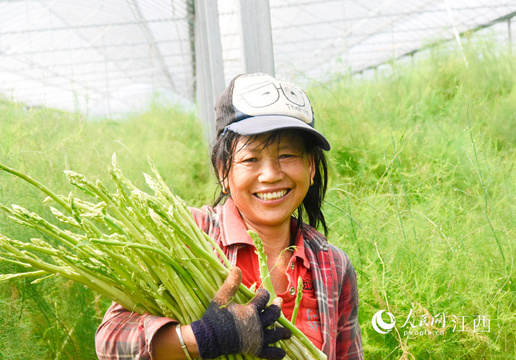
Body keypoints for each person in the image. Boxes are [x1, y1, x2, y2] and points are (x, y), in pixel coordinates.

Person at [95, 73, 363, 360]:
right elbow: (111, 342)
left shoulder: (331, 264)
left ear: (311, 167)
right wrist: (203, 337)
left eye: (287, 156)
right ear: (224, 170)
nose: (271, 175)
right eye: (251, 159)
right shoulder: (187, 236)